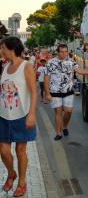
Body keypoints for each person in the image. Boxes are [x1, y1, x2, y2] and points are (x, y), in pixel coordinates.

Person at [0, 36, 37, 197]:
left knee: (21, 150)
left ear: (11, 48)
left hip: (22, 115)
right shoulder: (5, 66)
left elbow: (34, 92)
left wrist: (32, 114)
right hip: (3, 116)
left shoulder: (26, 66)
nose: (1, 51)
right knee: (3, 150)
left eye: (2, 48)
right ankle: (11, 173)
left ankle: (21, 184)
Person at [44, 44, 88, 141]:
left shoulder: (71, 61)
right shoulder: (50, 63)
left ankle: (64, 126)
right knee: (58, 112)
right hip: (55, 91)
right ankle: (58, 133)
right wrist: (47, 93)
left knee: (68, 111)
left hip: (68, 90)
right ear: (57, 52)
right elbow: (46, 77)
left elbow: (79, 70)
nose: (64, 54)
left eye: (66, 52)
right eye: (62, 52)